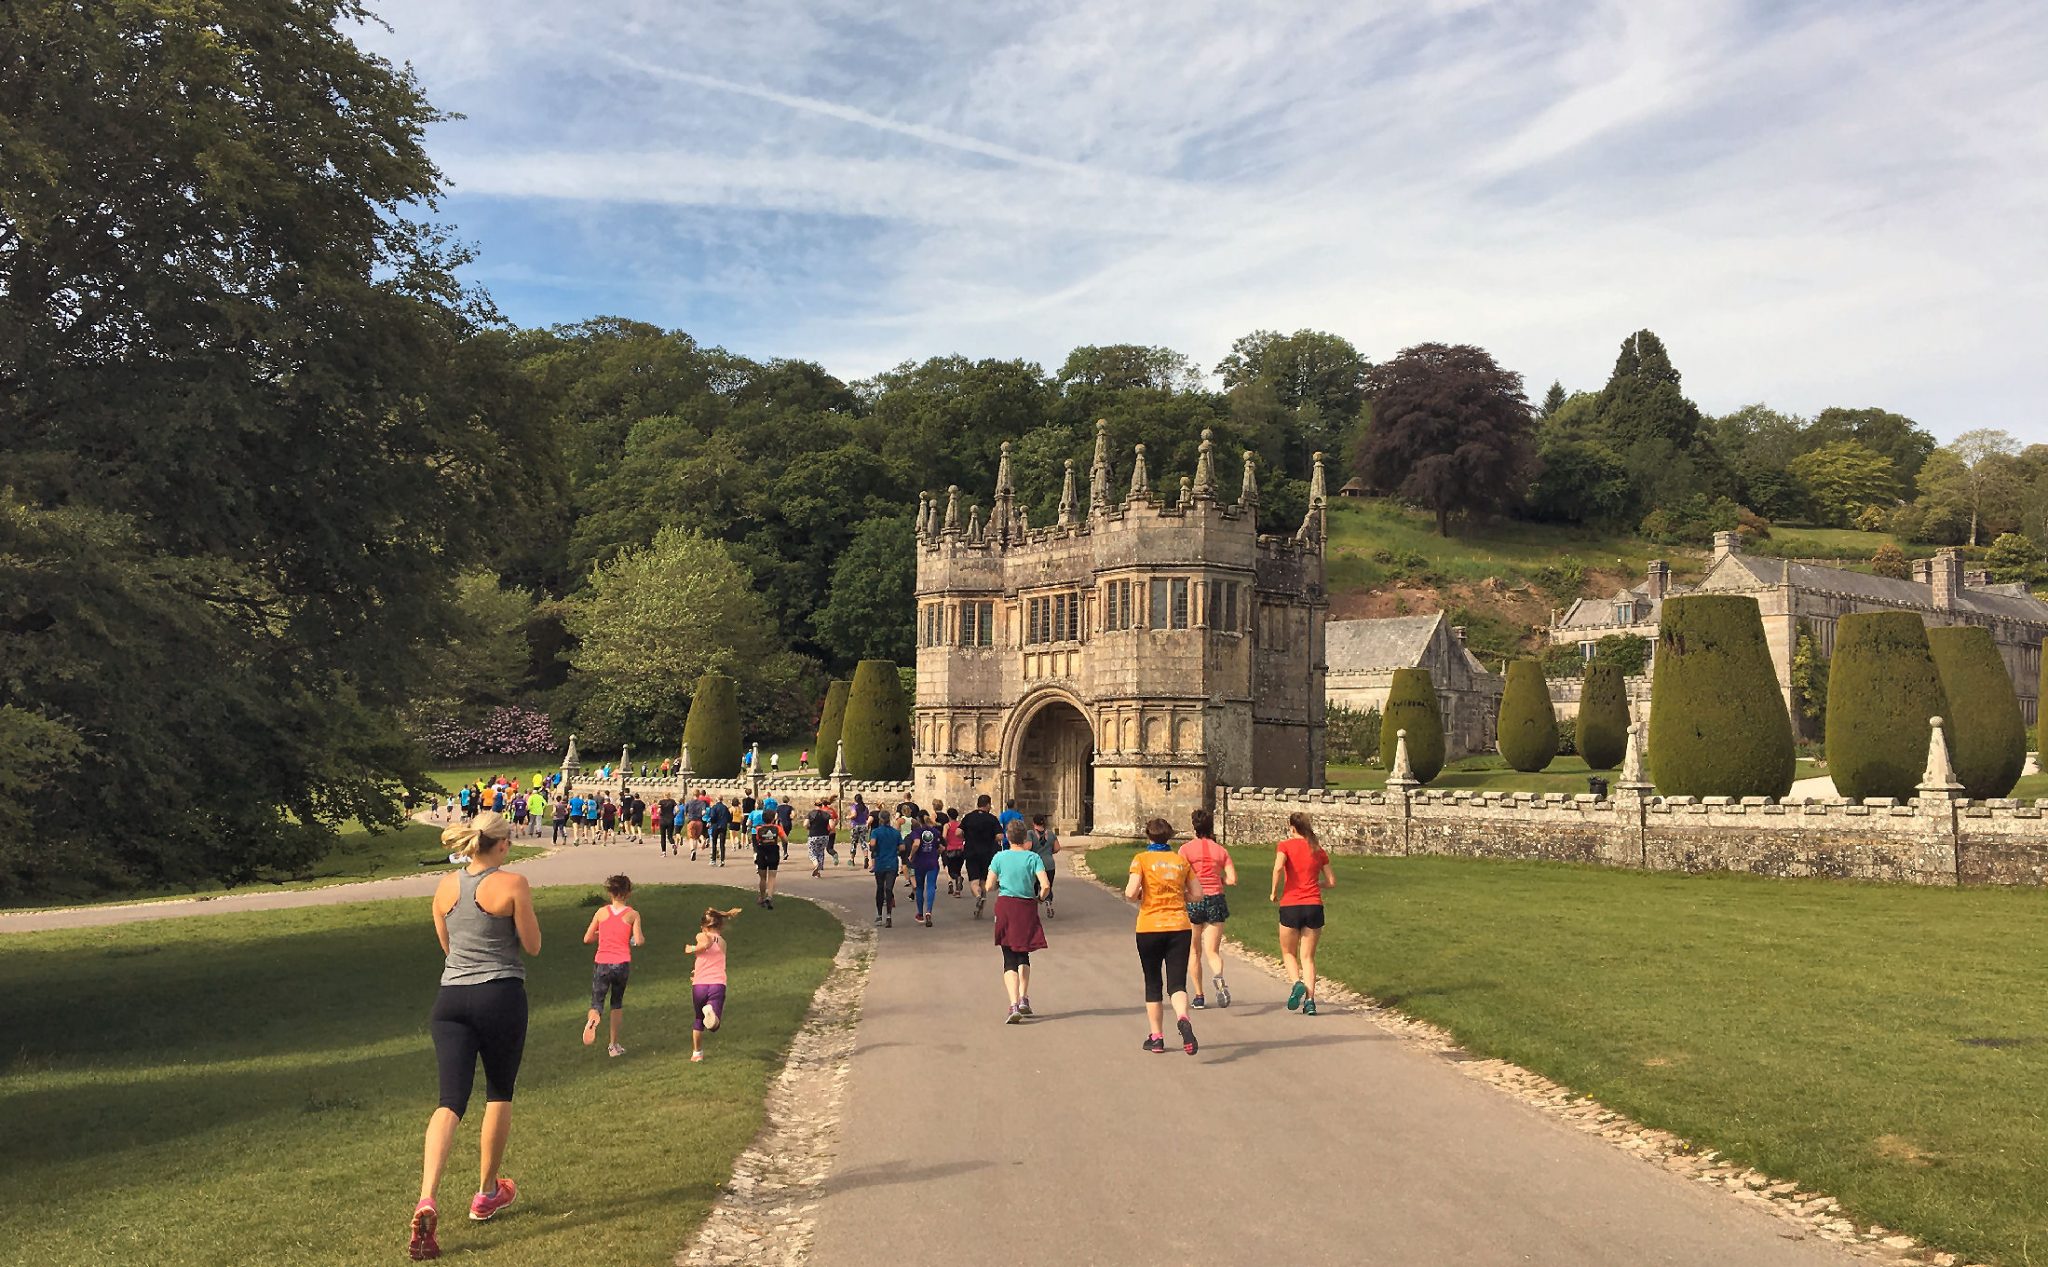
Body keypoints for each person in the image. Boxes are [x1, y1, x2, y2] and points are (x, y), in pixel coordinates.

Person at [409, 811, 540, 1260]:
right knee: (499, 1092)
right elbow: (534, 944)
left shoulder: (445, 886)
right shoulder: (514, 883)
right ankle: (486, 1193)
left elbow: (447, 945)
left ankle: (427, 1196)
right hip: (499, 995)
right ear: (500, 846)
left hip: (450, 1000)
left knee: (449, 1102)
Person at [1125, 817, 1200, 1056]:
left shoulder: (1141, 860)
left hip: (1149, 926)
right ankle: (1183, 1017)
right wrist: (1179, 897)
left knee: (1153, 981)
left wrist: (1141, 895)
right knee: (1177, 982)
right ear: (1169, 836)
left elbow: (1129, 892)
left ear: (1148, 836)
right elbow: (1197, 894)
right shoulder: (1180, 861)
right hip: (1179, 926)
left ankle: (1156, 1037)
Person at [1271, 811, 1334, 1016]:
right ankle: (1310, 1001)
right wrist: (1317, 884)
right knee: (1308, 957)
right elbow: (1332, 882)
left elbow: (1279, 868)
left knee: (1288, 952)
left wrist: (1274, 892)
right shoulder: (1318, 849)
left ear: (1292, 828)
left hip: (1291, 904)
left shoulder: (1285, 846)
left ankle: (1296, 982)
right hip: (1314, 905)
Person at [989, 820, 1050, 1022]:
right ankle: (1024, 998)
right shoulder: (1033, 858)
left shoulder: (999, 857)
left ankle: (1013, 1004)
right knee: (1023, 952)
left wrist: (1000, 882)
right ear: (1025, 838)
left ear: (1007, 837)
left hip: (1006, 905)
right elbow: (1045, 885)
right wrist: (1040, 897)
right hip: (1027, 906)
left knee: (1008, 955)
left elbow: (989, 886)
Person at [580, 874, 644, 1057]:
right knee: (616, 1003)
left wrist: (602, 934)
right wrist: (633, 939)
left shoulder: (601, 913)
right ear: (628, 893)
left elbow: (587, 938)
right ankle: (613, 1045)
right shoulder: (632, 914)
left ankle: (594, 1018)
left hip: (602, 962)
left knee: (597, 1000)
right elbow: (638, 940)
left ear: (610, 893)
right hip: (621, 963)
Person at [1181, 808, 1238, 1009]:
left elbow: (1181, 876)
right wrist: (1218, 878)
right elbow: (1232, 879)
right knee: (1212, 950)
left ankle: (1199, 995)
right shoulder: (1220, 850)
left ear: (1194, 827)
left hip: (1194, 900)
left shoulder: (1186, 850)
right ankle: (1219, 977)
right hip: (1215, 898)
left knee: (1194, 951)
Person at [684, 906, 743, 1062]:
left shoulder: (700, 936)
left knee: (698, 1019)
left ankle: (697, 1053)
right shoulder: (722, 942)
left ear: (703, 927)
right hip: (717, 983)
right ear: (721, 926)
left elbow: (703, 951)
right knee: (714, 1025)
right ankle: (710, 1012)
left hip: (699, 984)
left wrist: (692, 949)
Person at [960, 795, 1004, 919]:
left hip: (971, 852)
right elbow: (1000, 836)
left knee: (974, 880)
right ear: (988, 805)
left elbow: (958, 832)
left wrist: (965, 836)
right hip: (988, 853)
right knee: (984, 881)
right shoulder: (992, 819)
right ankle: (981, 905)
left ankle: (978, 897)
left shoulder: (968, 817)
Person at [906, 811, 943, 926]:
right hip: (932, 862)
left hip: (920, 862)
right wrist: (936, 854)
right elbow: (942, 847)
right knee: (931, 886)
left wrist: (911, 855)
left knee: (920, 887)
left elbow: (916, 844)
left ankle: (920, 913)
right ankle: (929, 911)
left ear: (918, 819)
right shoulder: (935, 832)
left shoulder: (917, 832)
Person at [868, 809, 902, 927]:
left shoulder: (876, 832)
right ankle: (888, 916)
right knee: (889, 889)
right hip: (892, 863)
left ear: (881, 820)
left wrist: (875, 850)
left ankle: (878, 915)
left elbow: (872, 844)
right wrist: (896, 849)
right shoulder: (896, 833)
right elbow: (902, 847)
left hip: (880, 863)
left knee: (880, 888)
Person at [750, 798, 785, 908]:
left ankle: (762, 897)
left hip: (762, 851)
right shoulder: (777, 828)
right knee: (772, 876)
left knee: (762, 877)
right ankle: (769, 897)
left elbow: (758, 839)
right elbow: (785, 839)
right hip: (773, 850)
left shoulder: (759, 828)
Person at [1026, 813, 1060, 918]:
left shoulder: (1030, 834)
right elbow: (1057, 848)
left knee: (1033, 886)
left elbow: (1028, 847)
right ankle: (1048, 901)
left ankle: (1032, 909)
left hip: (1035, 865)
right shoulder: (1050, 833)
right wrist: (1049, 852)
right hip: (1049, 864)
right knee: (1047, 886)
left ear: (1033, 823)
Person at [805, 799, 837, 876]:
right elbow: (832, 826)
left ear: (815, 805)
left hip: (813, 835)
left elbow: (805, 824)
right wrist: (828, 831)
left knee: (812, 852)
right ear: (821, 805)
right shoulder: (826, 814)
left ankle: (816, 864)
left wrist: (809, 828)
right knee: (820, 852)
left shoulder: (811, 814)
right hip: (824, 836)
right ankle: (818, 871)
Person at [941, 809, 967, 898]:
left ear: (949, 816)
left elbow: (944, 836)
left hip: (950, 849)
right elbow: (964, 836)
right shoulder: (960, 824)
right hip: (961, 849)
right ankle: (957, 891)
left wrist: (946, 842)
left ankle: (957, 879)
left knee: (951, 871)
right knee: (958, 870)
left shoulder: (947, 825)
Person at [707, 795, 733, 866]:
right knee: (722, 844)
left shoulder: (714, 807)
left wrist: (711, 822)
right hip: (723, 826)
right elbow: (729, 818)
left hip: (715, 826)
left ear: (716, 800)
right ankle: (722, 860)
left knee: (714, 843)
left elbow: (712, 816)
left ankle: (713, 860)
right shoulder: (725, 808)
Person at [849, 794, 871, 869]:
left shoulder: (854, 806)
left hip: (856, 825)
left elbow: (854, 815)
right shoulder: (865, 807)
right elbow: (867, 816)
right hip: (863, 825)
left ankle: (852, 860)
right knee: (863, 842)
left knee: (854, 842)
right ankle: (865, 857)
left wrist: (848, 817)